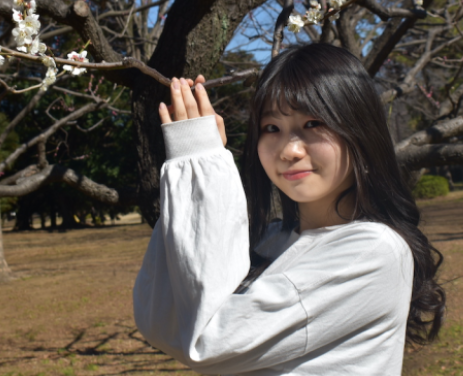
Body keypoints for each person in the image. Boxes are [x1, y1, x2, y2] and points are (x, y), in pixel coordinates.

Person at [133, 44, 445, 375]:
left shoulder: (373, 251)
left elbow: (209, 341)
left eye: (312, 123)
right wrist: (192, 178)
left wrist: (201, 167)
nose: (289, 150)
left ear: (359, 128)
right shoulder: (268, 241)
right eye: (272, 128)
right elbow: (165, 320)